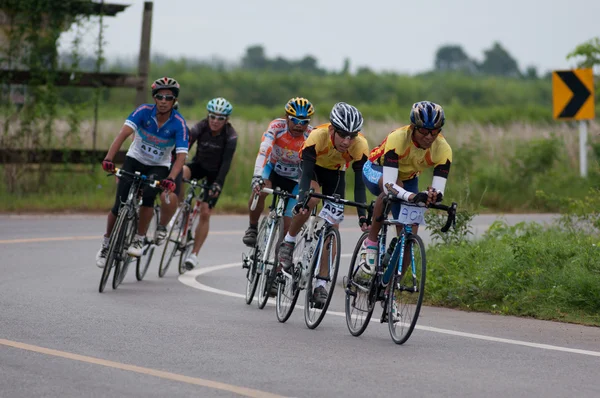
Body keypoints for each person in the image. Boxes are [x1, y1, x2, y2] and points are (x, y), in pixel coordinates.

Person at [277, 102, 370, 306]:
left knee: (333, 227)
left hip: (336, 174)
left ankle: (321, 284)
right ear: (332, 130)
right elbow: (306, 177)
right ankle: (289, 241)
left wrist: (362, 214)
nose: (347, 141)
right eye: (343, 135)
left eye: (351, 136)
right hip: (312, 168)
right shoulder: (317, 137)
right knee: (313, 198)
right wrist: (302, 199)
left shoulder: (360, 146)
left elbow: (360, 185)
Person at [96, 77, 188, 268]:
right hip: (135, 159)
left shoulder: (179, 123)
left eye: (168, 98)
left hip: (158, 166)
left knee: (148, 196)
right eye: (160, 96)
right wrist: (108, 159)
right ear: (154, 98)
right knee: (119, 203)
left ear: (174, 101)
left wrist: (171, 178)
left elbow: (180, 157)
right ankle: (106, 244)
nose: (163, 101)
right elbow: (123, 134)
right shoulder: (143, 112)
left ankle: (138, 237)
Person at [359, 100, 452, 276]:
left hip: (409, 178)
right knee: (393, 191)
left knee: (409, 237)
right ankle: (370, 243)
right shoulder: (399, 138)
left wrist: (432, 195)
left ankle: (391, 287)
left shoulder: (443, 149)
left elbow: (439, 190)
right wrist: (410, 197)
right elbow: (389, 185)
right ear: (413, 127)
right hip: (377, 169)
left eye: (435, 131)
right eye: (424, 130)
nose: (429, 136)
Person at [242, 97, 315, 247]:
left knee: (289, 223)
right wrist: (257, 175)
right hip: (273, 170)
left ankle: (279, 263)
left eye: (304, 122)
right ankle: (252, 228)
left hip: (296, 179)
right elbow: (264, 150)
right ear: (287, 117)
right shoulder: (277, 126)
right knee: (260, 190)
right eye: (295, 120)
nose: (299, 126)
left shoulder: (311, 135)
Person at [182, 97, 238, 270]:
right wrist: (179, 159)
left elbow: (226, 164)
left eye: (220, 118)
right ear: (208, 116)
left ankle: (194, 254)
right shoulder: (201, 126)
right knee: (181, 171)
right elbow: (186, 145)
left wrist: (218, 184)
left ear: (226, 120)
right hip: (198, 165)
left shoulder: (231, 136)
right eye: (212, 116)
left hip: (215, 174)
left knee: (205, 212)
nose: (215, 121)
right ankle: (179, 205)